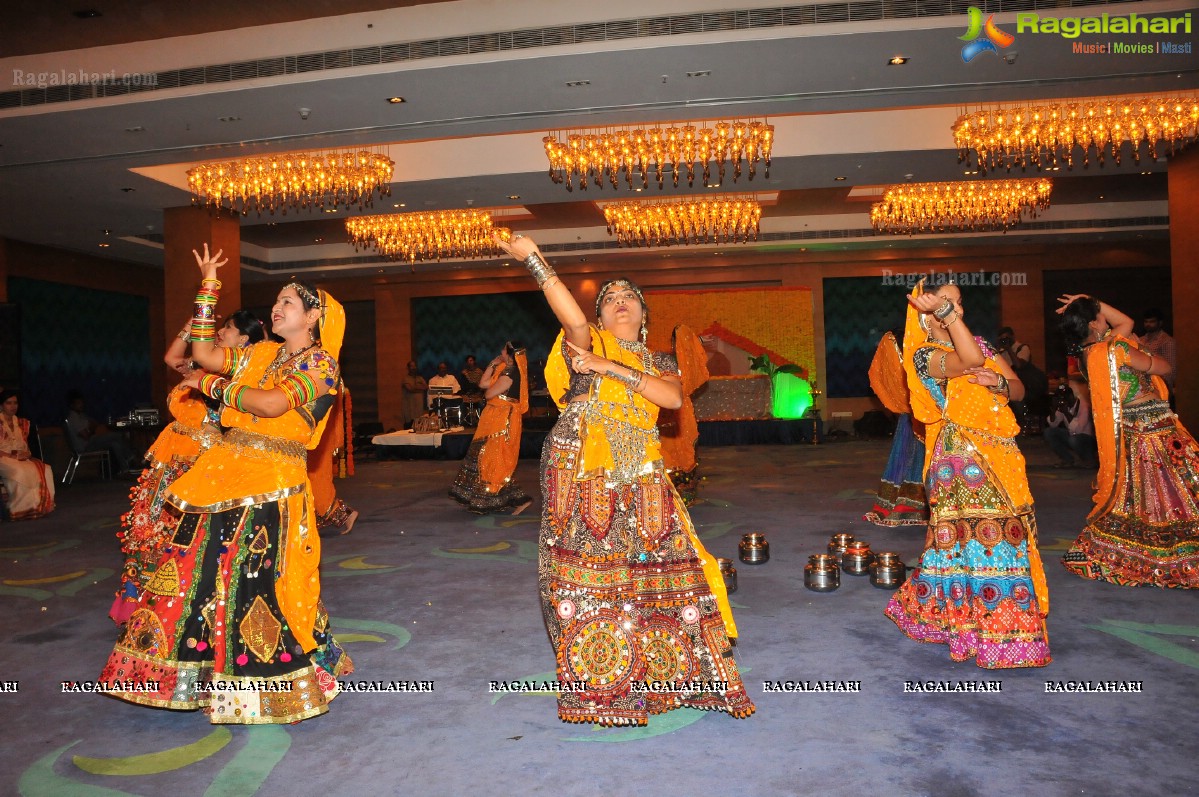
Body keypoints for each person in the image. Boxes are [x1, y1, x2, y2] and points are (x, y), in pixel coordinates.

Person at [496, 232, 754, 725]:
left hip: (643, 472)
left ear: (643, 312)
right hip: (584, 471)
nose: (618, 303)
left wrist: (609, 367)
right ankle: (603, 681)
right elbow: (570, 317)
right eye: (608, 299)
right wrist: (535, 258)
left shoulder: (659, 361)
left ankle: (665, 675)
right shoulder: (584, 342)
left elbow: (673, 399)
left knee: (655, 569)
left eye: (627, 296)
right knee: (590, 576)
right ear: (598, 316)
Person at [99, 244, 353, 723]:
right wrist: (207, 289)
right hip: (220, 476)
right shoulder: (260, 352)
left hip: (272, 486)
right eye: (276, 302)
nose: (276, 309)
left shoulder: (320, 366)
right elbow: (201, 352)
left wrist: (210, 386)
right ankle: (188, 676)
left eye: (288, 304)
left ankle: (263, 684)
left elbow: (273, 405)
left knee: (251, 581)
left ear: (314, 315)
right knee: (193, 573)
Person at [885, 279, 1051, 669]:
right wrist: (945, 319)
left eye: (958, 303)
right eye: (945, 304)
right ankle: (997, 629)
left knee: (998, 537)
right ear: (927, 316)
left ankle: (948, 612)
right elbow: (970, 360)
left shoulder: (978, 342)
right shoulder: (926, 355)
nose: (955, 310)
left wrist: (1000, 387)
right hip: (962, 461)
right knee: (991, 542)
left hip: (1001, 452)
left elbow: (1020, 388)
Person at [110, 310, 265, 624]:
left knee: (181, 539)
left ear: (244, 339)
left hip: (198, 466)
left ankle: (179, 609)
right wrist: (191, 326)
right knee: (147, 532)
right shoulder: (203, 365)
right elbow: (171, 358)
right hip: (167, 462)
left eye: (228, 328)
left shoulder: (239, 373)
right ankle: (140, 604)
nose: (220, 331)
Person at [1056, 294, 1198, 588]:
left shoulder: (1089, 355)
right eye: (1100, 315)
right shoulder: (1116, 348)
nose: (1108, 320)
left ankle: (1136, 550)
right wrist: (1140, 347)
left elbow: (1125, 323)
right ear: (1095, 324)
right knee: (1183, 485)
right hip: (1155, 428)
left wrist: (1088, 301)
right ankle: (1171, 555)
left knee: (1144, 494)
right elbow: (1163, 368)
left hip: (1130, 434)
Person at [449, 342, 532, 514]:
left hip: (502, 420)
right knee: (488, 457)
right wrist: (492, 364)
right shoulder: (502, 367)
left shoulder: (510, 373)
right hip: (494, 417)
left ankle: (514, 499)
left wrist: (495, 377)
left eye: (503, 349)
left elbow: (488, 394)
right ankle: (515, 499)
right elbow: (483, 384)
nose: (500, 351)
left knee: (493, 458)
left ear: (509, 354)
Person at [863, 331, 927, 527]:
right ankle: (914, 506)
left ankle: (916, 504)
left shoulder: (914, 343)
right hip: (919, 411)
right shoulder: (914, 344)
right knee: (916, 456)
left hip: (917, 411)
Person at [657, 324, 709, 504]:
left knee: (684, 446)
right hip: (667, 410)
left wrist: (696, 342)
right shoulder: (665, 360)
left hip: (681, 411)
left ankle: (681, 494)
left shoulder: (683, 360)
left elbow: (696, 369)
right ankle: (670, 494)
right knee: (669, 450)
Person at [310, 381, 358, 536]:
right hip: (305, 424)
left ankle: (341, 514)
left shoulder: (319, 365)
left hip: (314, 426)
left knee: (315, 475)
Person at [0, 390, 55, 520]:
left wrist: (26, 454)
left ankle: (37, 507)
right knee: (19, 471)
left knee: (45, 469)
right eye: (8, 403)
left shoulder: (22, 423)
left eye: (15, 403)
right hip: (3, 457)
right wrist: (12, 456)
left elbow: (25, 447)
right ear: (1, 405)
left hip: (19, 458)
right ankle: (19, 509)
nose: (13, 406)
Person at [65, 390, 138, 474]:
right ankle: (131, 457)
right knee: (116, 435)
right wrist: (91, 428)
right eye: (78, 403)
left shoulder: (81, 416)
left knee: (115, 444)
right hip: (85, 446)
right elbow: (86, 435)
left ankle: (125, 469)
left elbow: (93, 423)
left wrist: (91, 427)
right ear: (72, 405)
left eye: (81, 402)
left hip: (89, 442)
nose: (81, 405)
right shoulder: (73, 418)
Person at [1042, 374, 1097, 469]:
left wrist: (1066, 413)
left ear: (1072, 396)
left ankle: (1089, 460)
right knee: (1049, 432)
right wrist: (1053, 409)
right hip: (1074, 437)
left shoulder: (1083, 405)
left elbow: (1078, 430)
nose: (1063, 399)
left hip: (1088, 439)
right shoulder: (1064, 404)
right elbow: (1053, 424)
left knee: (1074, 439)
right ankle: (1067, 459)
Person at [1140, 307, 1176, 392]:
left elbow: (1171, 370)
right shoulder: (1141, 340)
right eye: (1146, 322)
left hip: (1161, 386)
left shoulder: (1167, 341)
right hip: (1143, 386)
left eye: (1152, 322)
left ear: (1160, 323)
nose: (1148, 324)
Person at [401, 360, 428, 429]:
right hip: (409, 410)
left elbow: (426, 387)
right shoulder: (405, 379)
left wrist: (414, 387)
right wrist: (419, 387)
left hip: (419, 412)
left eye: (415, 366)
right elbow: (410, 389)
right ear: (408, 368)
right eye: (411, 366)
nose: (413, 368)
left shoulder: (420, 378)